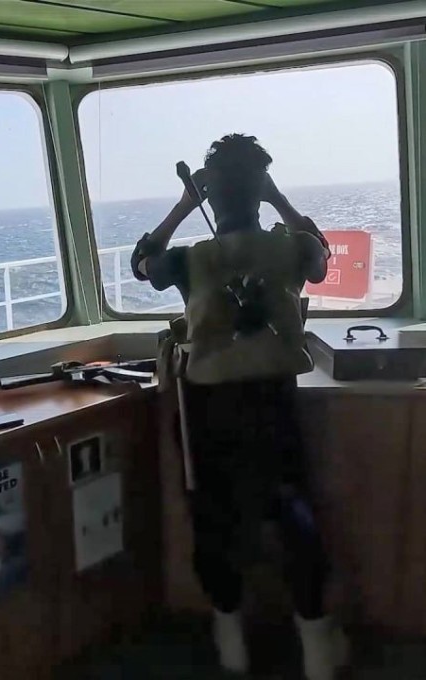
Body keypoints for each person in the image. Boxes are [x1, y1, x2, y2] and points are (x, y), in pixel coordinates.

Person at [131, 134, 346, 679]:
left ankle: (231, 641)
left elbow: (142, 263)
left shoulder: (187, 259)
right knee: (294, 515)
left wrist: (185, 203)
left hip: (205, 408)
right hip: (272, 401)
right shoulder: (290, 247)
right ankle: (317, 644)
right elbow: (321, 255)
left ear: (212, 194)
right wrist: (277, 198)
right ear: (260, 188)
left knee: (214, 519)